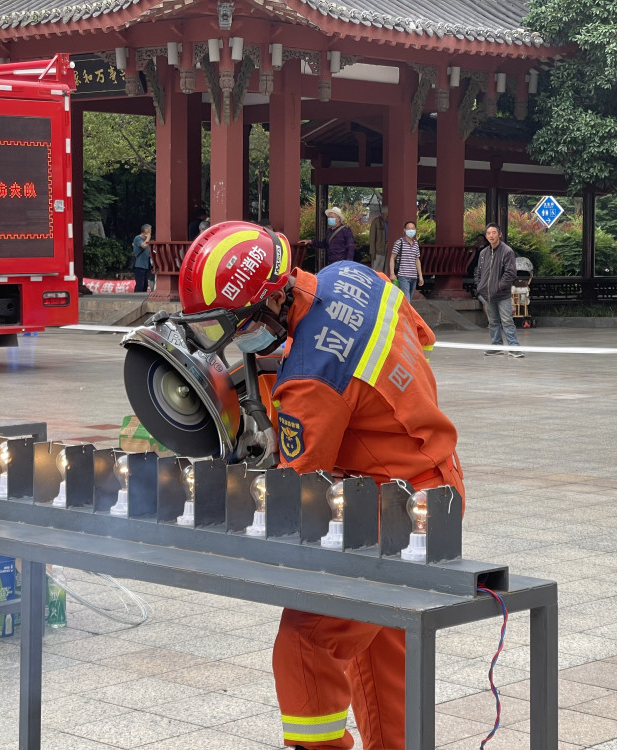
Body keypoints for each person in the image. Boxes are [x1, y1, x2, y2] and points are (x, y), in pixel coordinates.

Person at [178, 220, 464, 750]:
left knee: (306, 643)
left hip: (387, 515)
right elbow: (419, 337)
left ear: (269, 303)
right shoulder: (354, 276)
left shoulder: (310, 379)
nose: (228, 339)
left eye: (232, 325)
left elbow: (297, 493)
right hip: (431, 487)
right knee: (379, 661)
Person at [475, 222, 523, 358]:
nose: (491, 235)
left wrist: (499, 286)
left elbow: (510, 273)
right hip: (487, 294)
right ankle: (496, 345)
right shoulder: (483, 253)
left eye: (494, 232)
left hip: (502, 294)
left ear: (500, 234)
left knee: (507, 320)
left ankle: (514, 347)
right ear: (486, 236)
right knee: (493, 321)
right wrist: (480, 286)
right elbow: (478, 272)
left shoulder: (507, 251)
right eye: (488, 233)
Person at [388, 220, 424, 301]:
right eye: (408, 228)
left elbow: (417, 260)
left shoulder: (416, 244)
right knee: (407, 300)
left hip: (414, 276)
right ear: (404, 230)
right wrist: (392, 273)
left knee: (407, 300)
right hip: (403, 276)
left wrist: (420, 275)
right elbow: (392, 258)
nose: (411, 230)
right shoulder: (399, 243)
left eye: (413, 228)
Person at [132, 224, 153, 293]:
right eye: (149, 231)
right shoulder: (138, 238)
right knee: (140, 285)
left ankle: (142, 299)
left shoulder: (146, 241)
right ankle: (136, 299)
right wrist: (148, 239)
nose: (150, 233)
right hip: (139, 265)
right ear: (146, 231)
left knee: (145, 285)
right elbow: (143, 246)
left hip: (146, 265)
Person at [367, 205, 388, 271]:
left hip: (385, 249)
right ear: (382, 214)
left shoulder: (388, 222)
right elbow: (372, 238)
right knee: (375, 269)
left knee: (382, 269)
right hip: (377, 250)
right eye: (386, 215)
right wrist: (372, 252)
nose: (387, 217)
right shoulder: (376, 222)